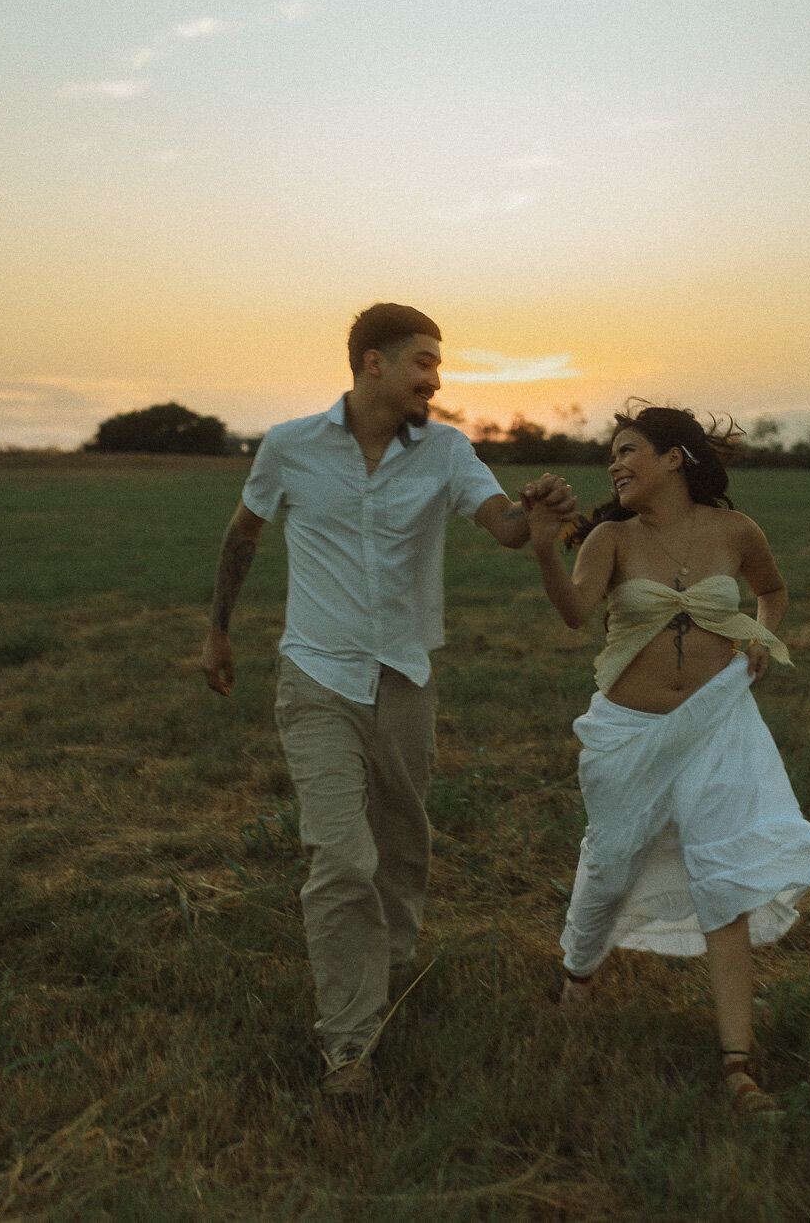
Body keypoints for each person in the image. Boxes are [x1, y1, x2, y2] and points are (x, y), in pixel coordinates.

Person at [201, 303, 576, 1095]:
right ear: (374, 362)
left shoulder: (445, 450)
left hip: (405, 679)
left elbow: (501, 524)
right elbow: (244, 534)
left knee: (402, 849)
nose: (435, 380)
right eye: (424, 364)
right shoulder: (290, 447)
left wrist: (534, 517)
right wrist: (218, 633)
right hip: (316, 679)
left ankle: (390, 968)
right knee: (341, 855)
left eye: (438, 367)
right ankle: (348, 1045)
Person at [522, 403, 810, 1118]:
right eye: (611, 457)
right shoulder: (611, 537)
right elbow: (576, 613)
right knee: (608, 867)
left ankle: (738, 1068)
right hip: (628, 733)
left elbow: (775, 591)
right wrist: (544, 546)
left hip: (719, 723)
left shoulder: (735, 531)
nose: (615, 465)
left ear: (674, 459)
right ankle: (578, 979)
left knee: (721, 879)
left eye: (627, 450)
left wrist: (762, 633)